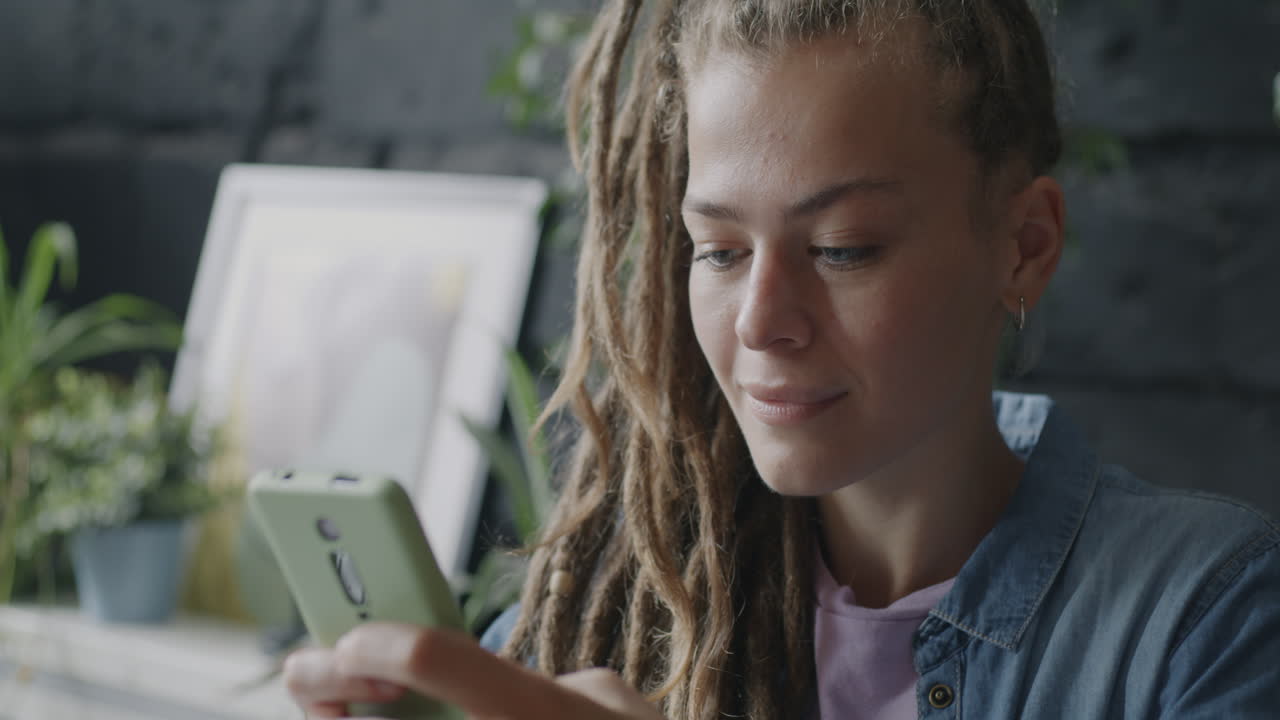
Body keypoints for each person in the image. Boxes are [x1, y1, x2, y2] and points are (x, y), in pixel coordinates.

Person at [282, 1, 1280, 718]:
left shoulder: (1206, 619)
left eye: (842, 247)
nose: (760, 321)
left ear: (1022, 244)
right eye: (716, 250)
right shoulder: (621, 597)